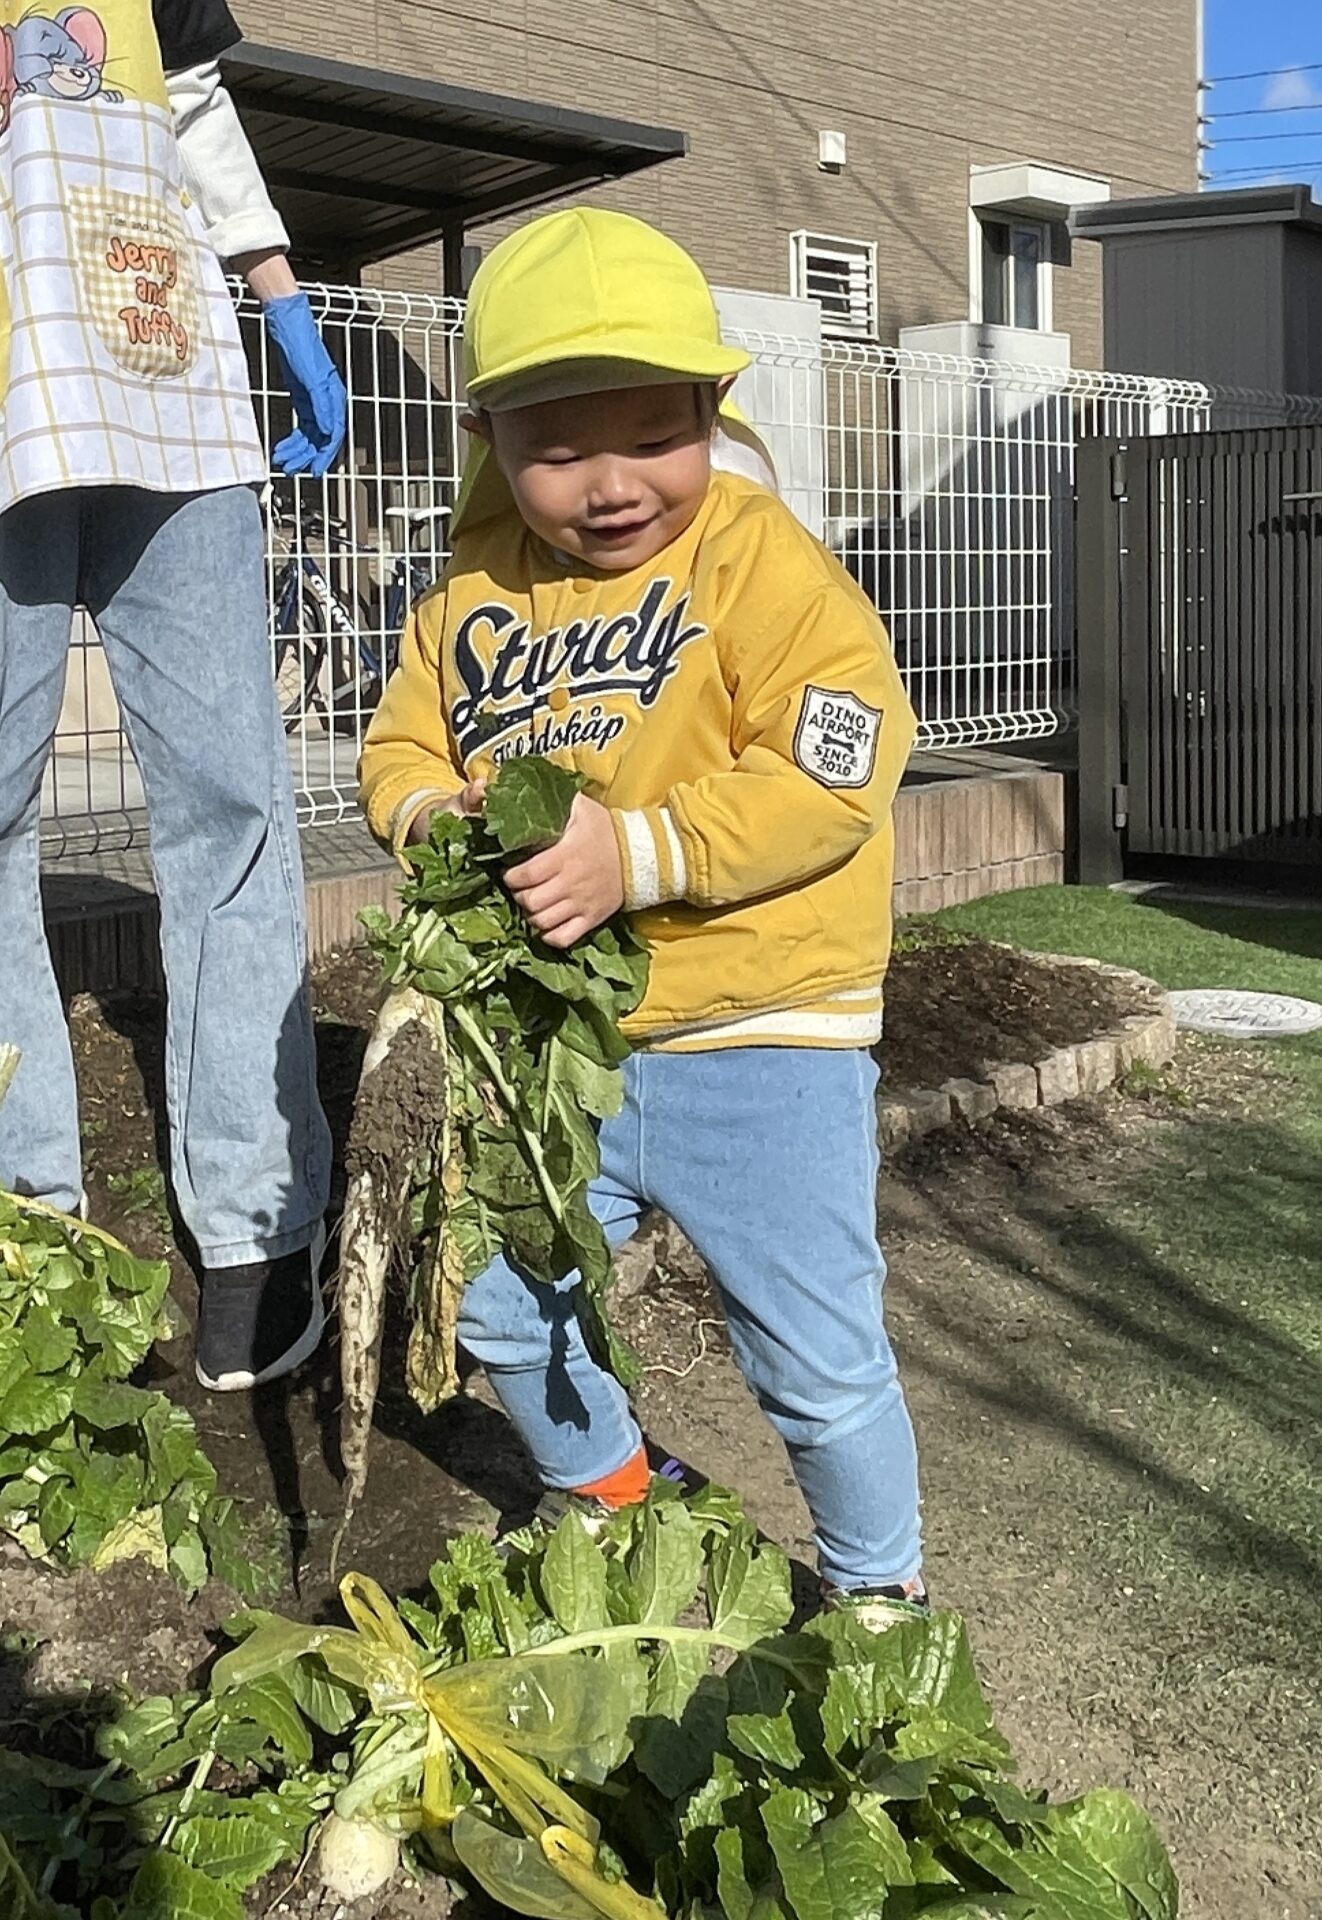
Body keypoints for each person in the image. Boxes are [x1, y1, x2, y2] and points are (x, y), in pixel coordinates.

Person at [360, 207, 926, 1621]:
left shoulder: (762, 565)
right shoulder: (471, 598)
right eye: (558, 448)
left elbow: (839, 761)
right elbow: (396, 754)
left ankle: (878, 1599)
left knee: (811, 1351)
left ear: (710, 411)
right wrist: (437, 821)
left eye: (649, 437)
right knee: (495, 1291)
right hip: (563, 1050)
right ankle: (614, 1489)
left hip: (764, 1033)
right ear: (491, 436)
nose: (610, 485)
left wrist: (645, 854)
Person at [0, 0, 342, 1390]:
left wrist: (282, 296)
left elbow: (192, 99)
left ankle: (259, 1219)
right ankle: (33, 1218)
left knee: (233, 803)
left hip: (166, 374)